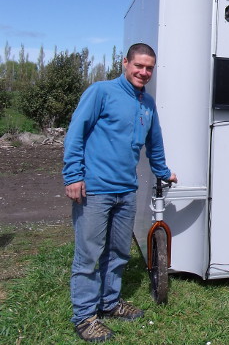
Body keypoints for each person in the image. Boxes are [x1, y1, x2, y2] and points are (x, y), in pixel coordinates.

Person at [63, 43, 177, 342]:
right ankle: (85, 317)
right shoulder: (101, 92)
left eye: (149, 67)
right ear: (125, 62)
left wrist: (164, 172)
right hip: (95, 189)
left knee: (118, 253)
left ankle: (110, 302)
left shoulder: (147, 103)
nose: (144, 72)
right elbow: (76, 132)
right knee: (88, 255)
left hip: (126, 191)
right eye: (138, 65)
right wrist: (73, 175)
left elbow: (155, 143)